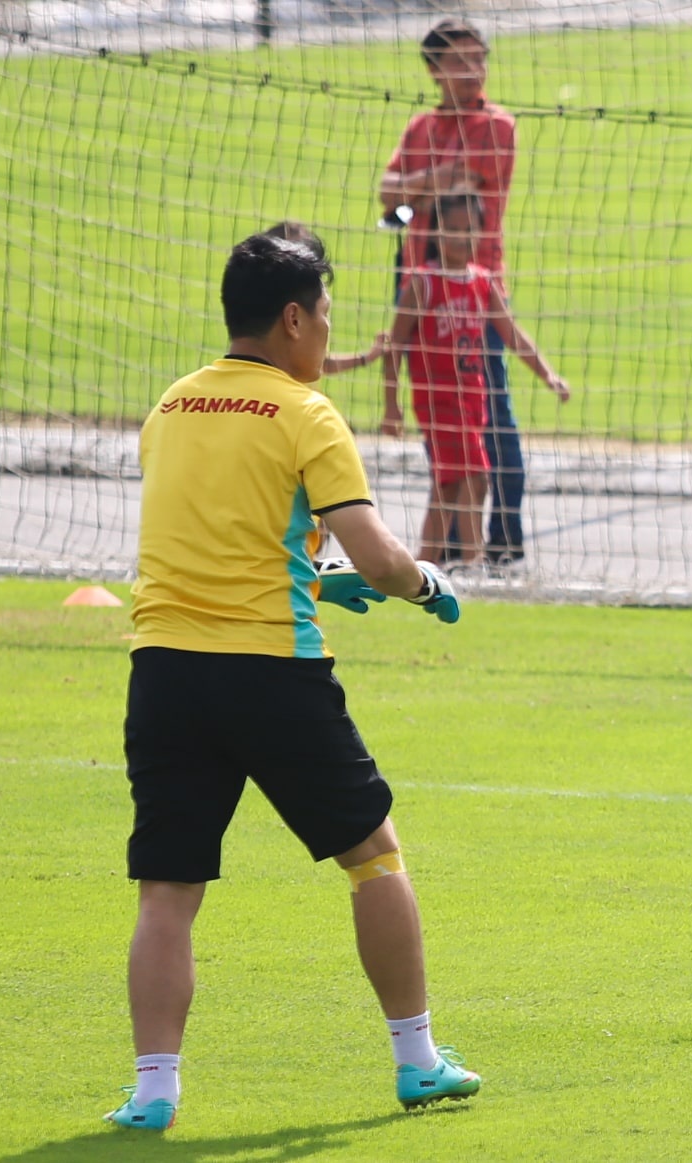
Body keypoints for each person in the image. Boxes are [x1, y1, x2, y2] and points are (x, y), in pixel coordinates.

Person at [106, 231, 479, 1131]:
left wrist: (311, 576)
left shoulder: (171, 405)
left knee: (167, 890)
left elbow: (216, 543)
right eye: (323, 315)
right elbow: (382, 556)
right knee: (373, 855)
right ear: (291, 317)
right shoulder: (306, 413)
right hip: (273, 672)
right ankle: (418, 1059)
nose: (325, 333)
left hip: (162, 673)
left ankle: (153, 1090)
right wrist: (423, 582)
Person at [379, 18, 531, 567]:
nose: (474, 70)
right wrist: (425, 187)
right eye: (461, 61)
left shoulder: (498, 126)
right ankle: (445, 547)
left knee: (491, 412)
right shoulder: (419, 127)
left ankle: (503, 541)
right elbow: (386, 204)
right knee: (438, 416)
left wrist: (415, 192)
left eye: (480, 58)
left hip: (475, 289)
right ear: (434, 69)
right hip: (421, 290)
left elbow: (452, 192)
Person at [381, 194, 569, 567]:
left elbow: (512, 335)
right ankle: (470, 561)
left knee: (452, 484)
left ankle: (428, 565)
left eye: (469, 230)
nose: (461, 238)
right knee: (473, 477)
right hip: (438, 400)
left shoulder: (482, 283)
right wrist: (392, 404)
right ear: (435, 231)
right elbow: (395, 345)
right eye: (452, 229)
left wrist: (548, 374)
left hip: (473, 401)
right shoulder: (423, 283)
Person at [264, 221, 388, 375]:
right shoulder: (299, 310)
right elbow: (324, 364)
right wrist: (367, 357)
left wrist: (367, 357)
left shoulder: (258, 309)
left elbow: (322, 363)